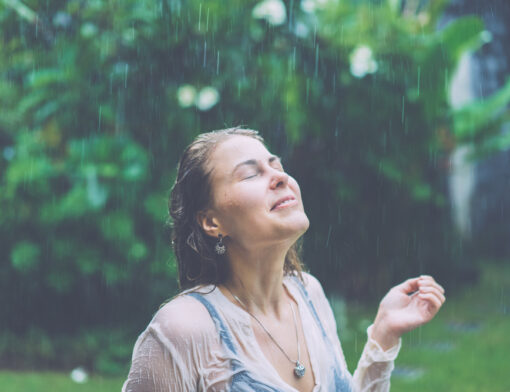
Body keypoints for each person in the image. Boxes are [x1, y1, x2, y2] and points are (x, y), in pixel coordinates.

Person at [122, 127, 445, 392]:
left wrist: (384, 334)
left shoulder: (309, 294)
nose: (280, 178)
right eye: (251, 175)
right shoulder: (182, 330)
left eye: (276, 166)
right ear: (212, 222)